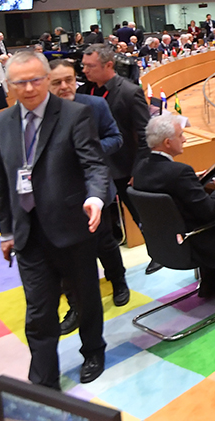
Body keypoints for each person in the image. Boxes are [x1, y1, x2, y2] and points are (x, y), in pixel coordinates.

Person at [0, 51, 111, 388]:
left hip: (72, 226)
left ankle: (93, 350)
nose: (29, 88)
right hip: (28, 233)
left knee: (86, 298)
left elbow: (94, 164)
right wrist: (6, 231)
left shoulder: (75, 114)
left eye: (36, 80)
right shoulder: (1, 123)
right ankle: (44, 381)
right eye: (20, 82)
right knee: (39, 311)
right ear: (9, 85)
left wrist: (95, 197)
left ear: (46, 78)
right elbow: (4, 181)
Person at [47, 60, 128, 333]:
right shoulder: (41, 114)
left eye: (69, 80)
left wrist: (86, 151)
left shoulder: (95, 105)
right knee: (65, 255)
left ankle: (118, 281)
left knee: (105, 243)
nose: (64, 86)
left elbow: (115, 138)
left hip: (95, 190)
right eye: (57, 82)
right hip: (58, 196)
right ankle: (75, 306)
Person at [133, 115, 215, 298]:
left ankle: (211, 281)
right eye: (180, 135)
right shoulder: (179, 172)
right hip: (194, 241)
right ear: (168, 142)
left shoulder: (140, 169)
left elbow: (166, 186)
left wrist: (192, 180)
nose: (185, 139)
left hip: (166, 243)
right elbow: (209, 211)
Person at [80, 44, 152, 270]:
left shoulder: (129, 92)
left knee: (140, 213)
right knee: (101, 218)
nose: (85, 70)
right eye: (83, 65)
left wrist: (139, 169)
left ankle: (158, 253)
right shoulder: (84, 92)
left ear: (108, 65)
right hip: (94, 167)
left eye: (90, 66)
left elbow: (145, 134)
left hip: (125, 166)